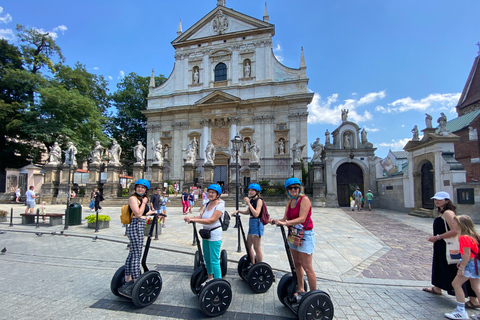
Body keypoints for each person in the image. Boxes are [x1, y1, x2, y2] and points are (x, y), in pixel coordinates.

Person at [423, 191, 479, 307]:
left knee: (454, 269)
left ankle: (473, 299)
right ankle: (437, 287)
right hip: (442, 244)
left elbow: (455, 231)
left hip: (447, 245)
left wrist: (438, 237)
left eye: (440, 199)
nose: (437, 201)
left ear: (447, 200)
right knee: (441, 265)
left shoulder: (448, 213)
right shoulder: (442, 212)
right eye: (435, 199)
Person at [270, 177, 316, 301]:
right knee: (297, 264)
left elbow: (302, 218)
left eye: (296, 187)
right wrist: (275, 221)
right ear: (287, 190)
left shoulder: (304, 200)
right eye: (290, 188)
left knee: (307, 266)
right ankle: (301, 289)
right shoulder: (290, 202)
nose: (293, 190)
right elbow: (285, 219)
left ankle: (313, 295)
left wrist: (286, 223)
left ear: (299, 188)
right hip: (294, 234)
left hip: (305, 235)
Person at [118, 179, 156, 297]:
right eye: (139, 187)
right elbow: (138, 214)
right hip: (135, 227)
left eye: (143, 188)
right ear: (135, 188)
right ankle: (136, 281)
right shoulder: (133, 199)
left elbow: (143, 214)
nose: (140, 189)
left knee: (132, 254)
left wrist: (154, 213)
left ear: (146, 190)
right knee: (137, 255)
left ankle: (127, 278)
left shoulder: (140, 199)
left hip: (139, 226)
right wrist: (144, 202)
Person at [184, 184, 225, 282]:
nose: (210, 194)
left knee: (214, 260)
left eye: (213, 192)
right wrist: (191, 218)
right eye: (209, 192)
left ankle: (218, 282)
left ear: (218, 194)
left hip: (215, 234)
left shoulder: (220, 204)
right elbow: (202, 217)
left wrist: (195, 220)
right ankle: (210, 278)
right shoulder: (207, 203)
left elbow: (212, 220)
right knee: (207, 258)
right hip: (206, 233)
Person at [445, 215, 480, 320]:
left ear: (460, 224)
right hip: (477, 263)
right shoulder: (474, 235)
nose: (453, 224)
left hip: (470, 264)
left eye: (455, 223)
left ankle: (461, 311)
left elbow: (466, 255)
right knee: (476, 287)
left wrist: (462, 267)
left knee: (456, 284)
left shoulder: (464, 237)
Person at [233, 183, 264, 264]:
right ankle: (253, 263)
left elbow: (256, 213)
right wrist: (239, 211)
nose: (250, 192)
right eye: (249, 190)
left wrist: (249, 203)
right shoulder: (252, 200)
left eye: (253, 190)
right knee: (248, 245)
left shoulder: (259, 200)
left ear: (257, 192)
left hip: (256, 223)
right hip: (251, 223)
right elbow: (248, 212)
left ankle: (259, 265)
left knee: (256, 247)